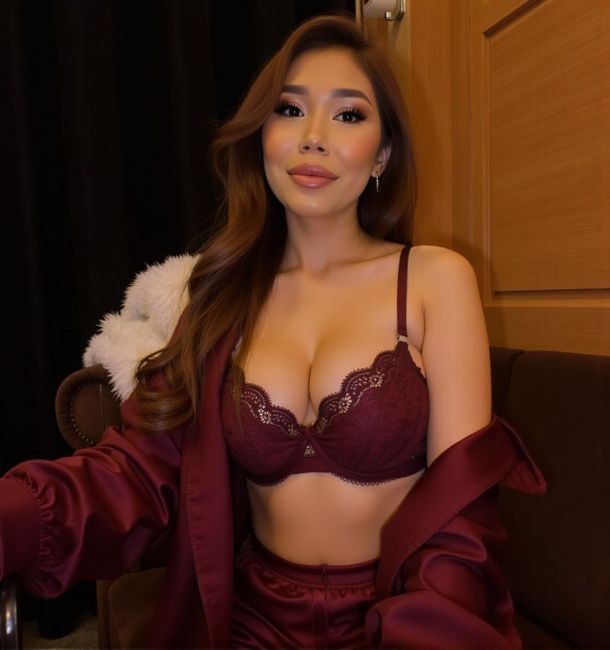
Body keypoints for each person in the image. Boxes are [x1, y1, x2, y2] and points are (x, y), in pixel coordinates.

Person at [1, 12, 546, 649]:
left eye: (348, 115)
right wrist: (14, 516)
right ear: (262, 136)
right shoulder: (223, 295)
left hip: (399, 612)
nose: (313, 137)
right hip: (253, 620)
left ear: (383, 154)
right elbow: (137, 469)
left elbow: (459, 508)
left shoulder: (433, 279)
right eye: (290, 110)